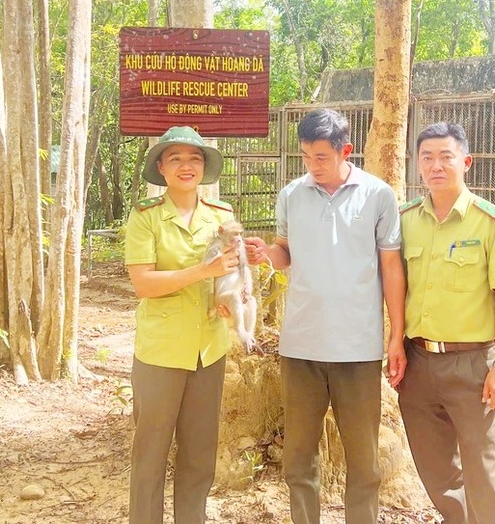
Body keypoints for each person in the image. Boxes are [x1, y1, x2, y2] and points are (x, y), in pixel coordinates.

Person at [245, 108, 407, 524]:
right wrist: (266, 254)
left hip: (358, 349)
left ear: (345, 150)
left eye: (321, 157)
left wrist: (395, 335)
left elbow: (391, 269)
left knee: (364, 459)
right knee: (299, 457)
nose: (312, 166)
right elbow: (284, 254)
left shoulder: (378, 195)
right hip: (301, 348)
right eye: (305, 156)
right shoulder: (291, 195)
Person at [397, 122, 495, 524]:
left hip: (472, 367)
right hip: (417, 364)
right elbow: (396, 287)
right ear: (417, 165)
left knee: (483, 468)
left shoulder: (490, 222)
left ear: (465, 162)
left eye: (446, 156)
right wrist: (395, 344)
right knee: (434, 470)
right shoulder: (405, 220)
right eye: (427, 157)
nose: (436, 165)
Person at [124, 126, 241, 524]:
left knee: (199, 455)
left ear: (205, 166)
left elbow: (230, 274)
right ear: (162, 167)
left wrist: (229, 299)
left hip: (208, 349)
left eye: (194, 158)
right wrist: (201, 271)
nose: (186, 166)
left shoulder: (222, 216)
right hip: (161, 351)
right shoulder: (145, 218)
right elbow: (143, 283)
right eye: (175, 158)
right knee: (150, 454)